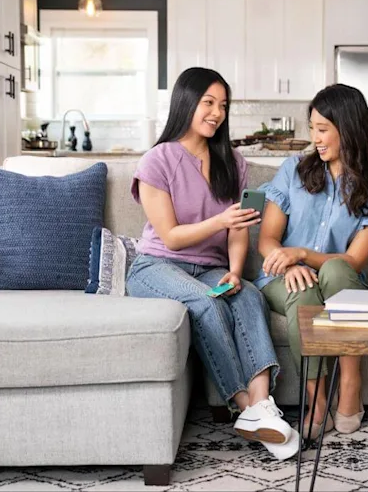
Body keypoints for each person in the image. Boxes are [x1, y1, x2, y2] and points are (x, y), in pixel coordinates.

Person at [126, 67, 299, 460]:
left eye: (222, 105)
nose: (216, 113)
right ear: (186, 102)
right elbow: (170, 236)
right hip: (157, 266)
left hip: (210, 268)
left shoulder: (232, 161)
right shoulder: (158, 160)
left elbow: (239, 230)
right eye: (208, 103)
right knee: (206, 302)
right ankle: (246, 406)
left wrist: (236, 271)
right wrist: (219, 221)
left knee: (250, 298)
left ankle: (262, 404)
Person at [255, 83, 368, 438]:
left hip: (340, 279)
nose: (314, 138)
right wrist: (291, 264)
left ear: (347, 129)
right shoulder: (294, 170)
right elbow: (268, 239)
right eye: (312, 128)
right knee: (304, 295)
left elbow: (354, 260)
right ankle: (318, 400)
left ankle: (350, 382)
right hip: (285, 278)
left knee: (336, 268)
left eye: (322, 129)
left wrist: (304, 254)